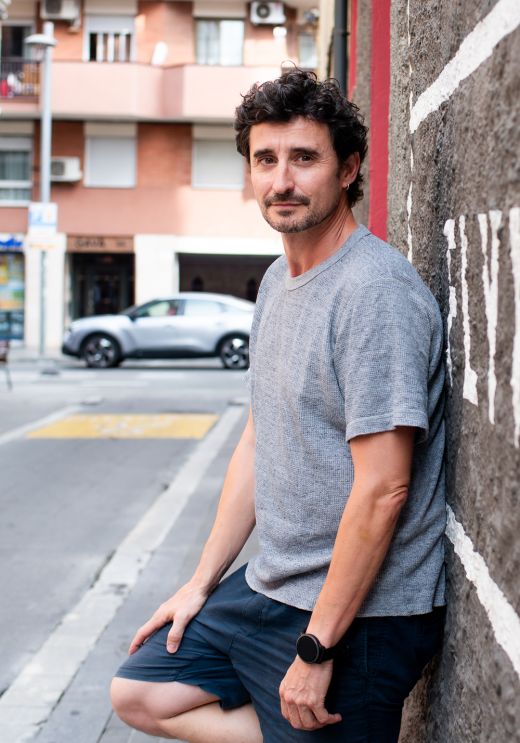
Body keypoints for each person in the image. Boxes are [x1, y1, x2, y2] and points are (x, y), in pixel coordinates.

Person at [111, 68, 446, 743]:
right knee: (139, 692)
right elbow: (259, 437)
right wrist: (201, 582)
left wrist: (317, 649)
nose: (282, 181)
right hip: (273, 584)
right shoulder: (276, 282)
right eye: (265, 159)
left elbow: (384, 488)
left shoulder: (373, 293)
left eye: (304, 158)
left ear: (348, 169)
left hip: (363, 612)